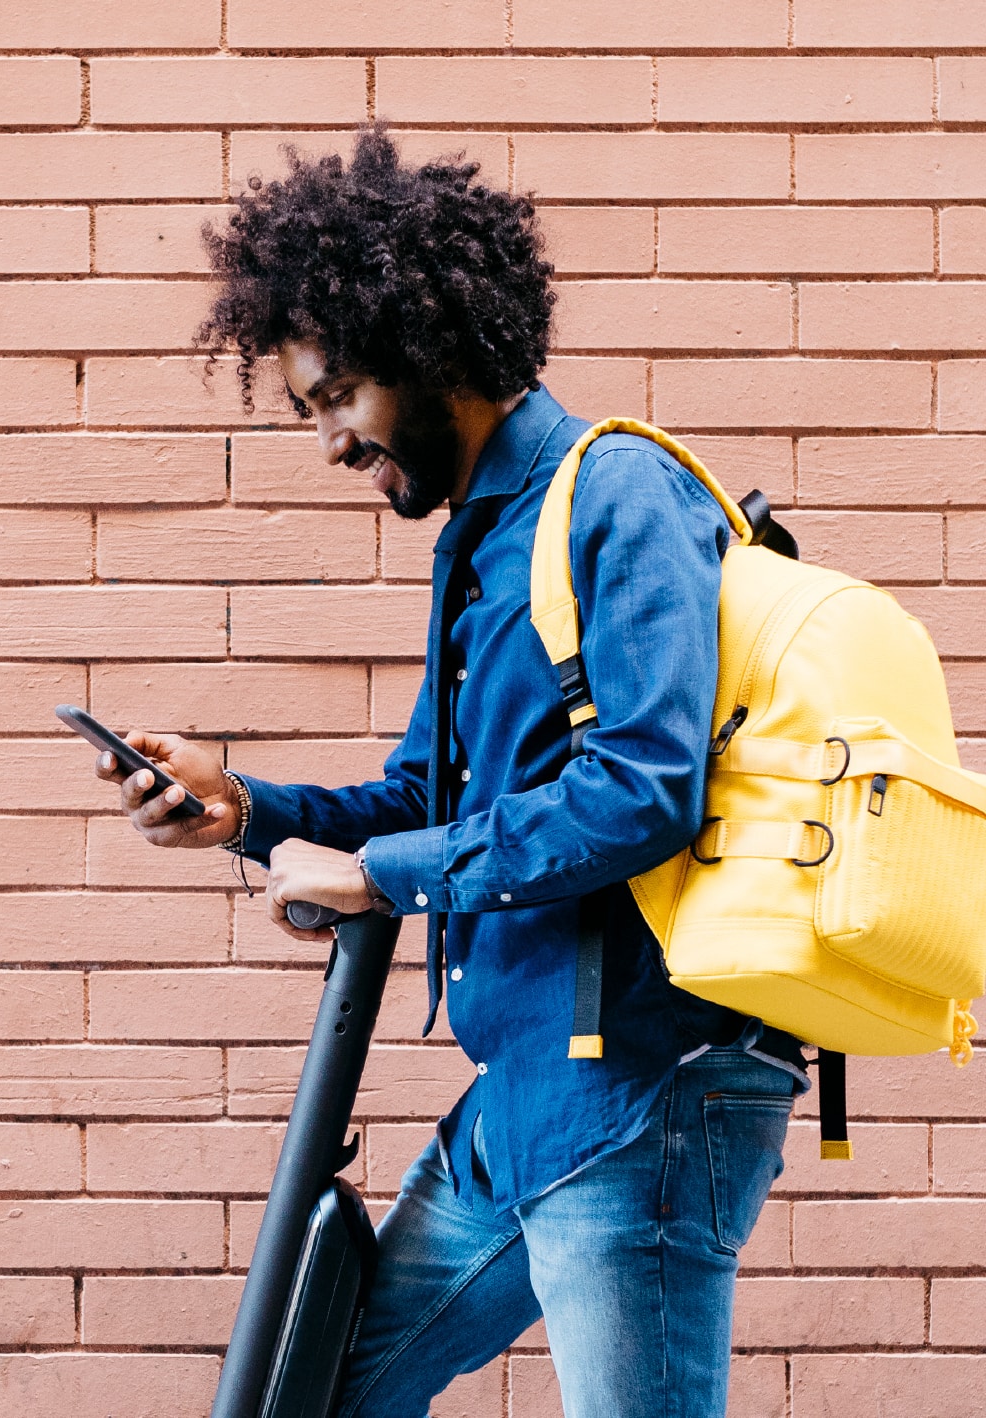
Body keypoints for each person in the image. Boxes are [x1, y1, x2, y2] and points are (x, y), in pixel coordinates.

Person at [95, 127, 807, 1418]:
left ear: (424, 351)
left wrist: (380, 875)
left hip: (645, 1093)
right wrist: (245, 810)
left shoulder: (619, 496)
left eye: (334, 398)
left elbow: (645, 786)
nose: (326, 441)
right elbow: (431, 799)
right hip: (529, 1095)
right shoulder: (485, 538)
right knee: (329, 1387)